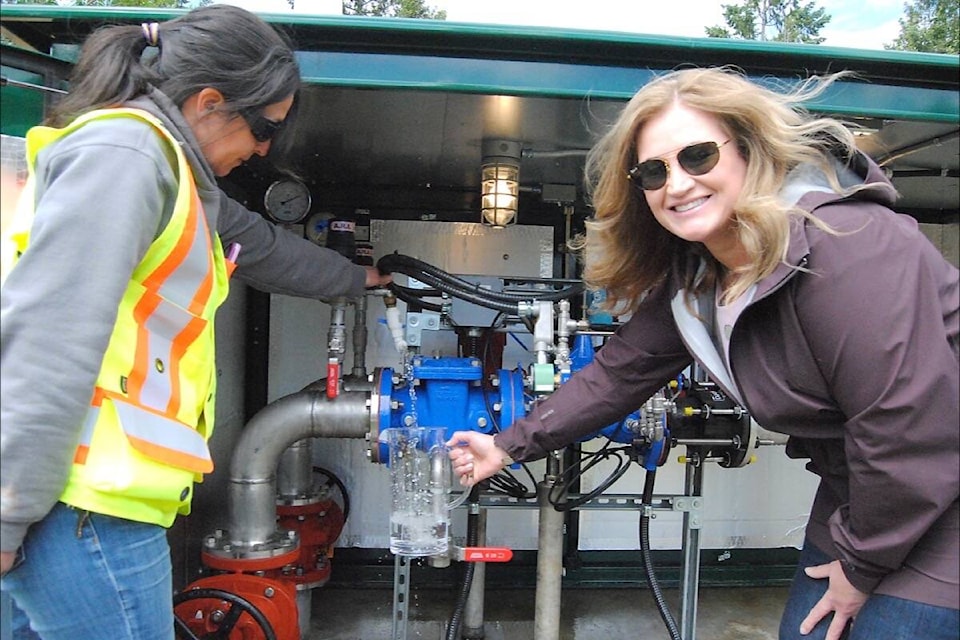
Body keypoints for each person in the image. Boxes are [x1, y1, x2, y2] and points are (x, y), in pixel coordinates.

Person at [448, 67, 959, 640]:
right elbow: (619, 374)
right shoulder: (702, 279)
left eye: (697, 156)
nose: (677, 184)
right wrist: (507, 445)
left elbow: (909, 429)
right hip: (865, 497)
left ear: (749, 150)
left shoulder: (849, 246)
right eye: (652, 171)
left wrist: (861, 566)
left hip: (939, 500)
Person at [0, 6, 390, 639]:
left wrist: (357, 279)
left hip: (85, 503)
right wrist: (8, 513)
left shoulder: (174, 174)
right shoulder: (127, 155)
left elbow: (261, 246)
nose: (265, 148)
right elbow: (50, 338)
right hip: (80, 505)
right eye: (265, 128)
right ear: (210, 102)